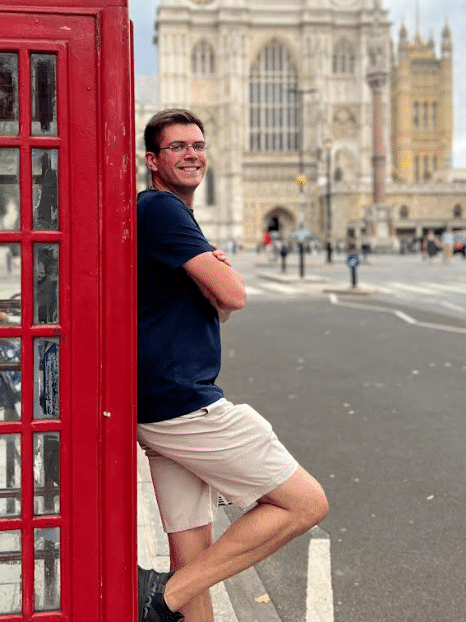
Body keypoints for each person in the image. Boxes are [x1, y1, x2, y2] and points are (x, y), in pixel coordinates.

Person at [136, 110, 328, 622]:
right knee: (306, 503)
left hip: (155, 405)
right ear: (152, 160)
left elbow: (216, 305)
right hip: (183, 402)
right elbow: (233, 295)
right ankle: (161, 600)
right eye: (176, 147)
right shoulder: (161, 209)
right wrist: (220, 273)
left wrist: (214, 278)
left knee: (193, 556)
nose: (191, 154)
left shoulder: (166, 213)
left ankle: (172, 595)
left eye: (197, 145)